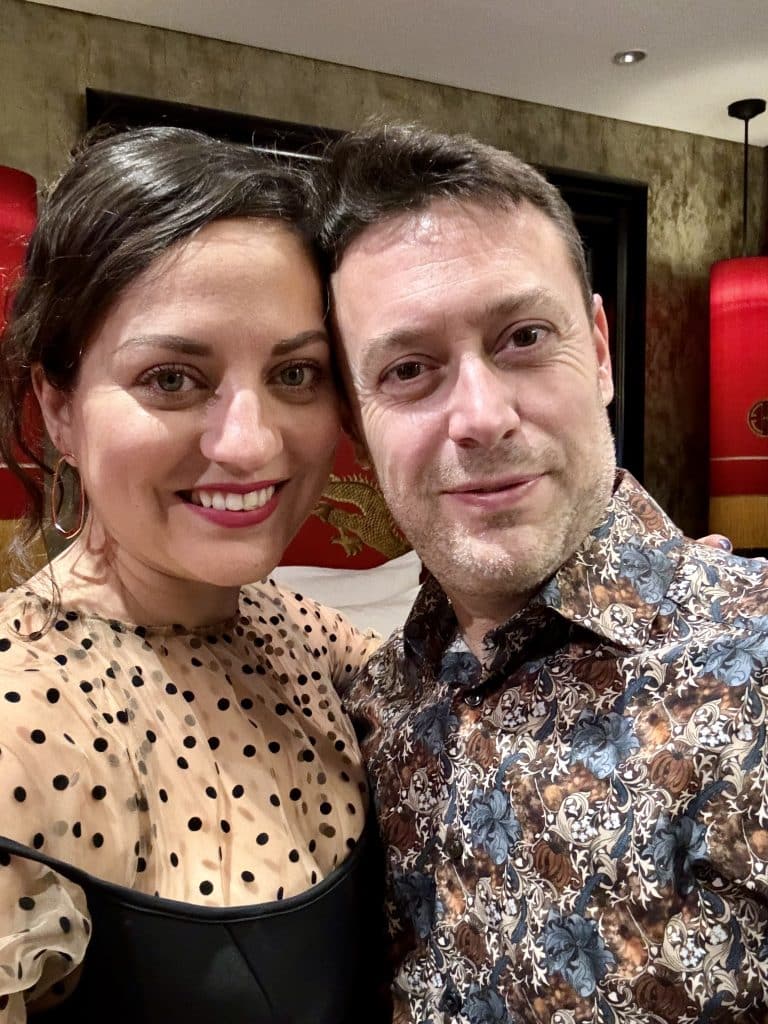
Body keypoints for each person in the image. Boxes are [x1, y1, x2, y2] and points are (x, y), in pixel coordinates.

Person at [318, 122, 768, 1023]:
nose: (481, 417)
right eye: (409, 369)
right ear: (356, 423)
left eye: (523, 336)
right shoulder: (370, 708)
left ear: (598, 349)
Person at [0, 127, 389, 1024]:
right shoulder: (20, 722)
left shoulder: (303, 636)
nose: (250, 443)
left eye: (296, 372)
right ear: (59, 408)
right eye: (173, 378)